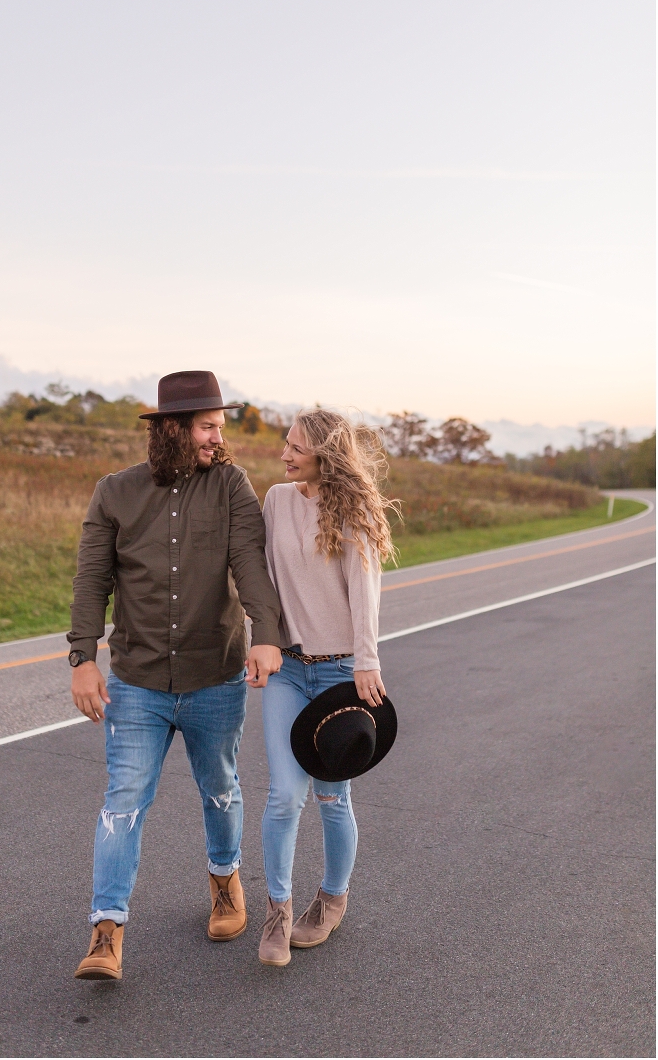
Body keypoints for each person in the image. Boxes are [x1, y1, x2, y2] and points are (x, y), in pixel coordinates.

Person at [68, 370, 282, 981]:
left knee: (220, 788)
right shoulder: (114, 492)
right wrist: (83, 658)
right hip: (136, 681)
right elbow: (92, 580)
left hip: (214, 674)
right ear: (173, 429)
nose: (219, 437)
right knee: (124, 800)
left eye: (220, 426)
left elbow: (249, 563)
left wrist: (266, 633)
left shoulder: (232, 485)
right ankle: (106, 929)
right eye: (208, 426)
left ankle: (225, 880)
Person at [249, 408, 399, 966]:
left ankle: (332, 900)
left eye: (295, 448)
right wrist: (261, 640)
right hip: (288, 669)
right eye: (285, 444)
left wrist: (366, 661)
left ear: (325, 456)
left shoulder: (354, 510)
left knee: (333, 796)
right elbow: (262, 577)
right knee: (285, 795)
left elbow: (365, 588)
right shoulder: (276, 500)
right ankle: (278, 911)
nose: (284, 455)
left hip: (340, 675)